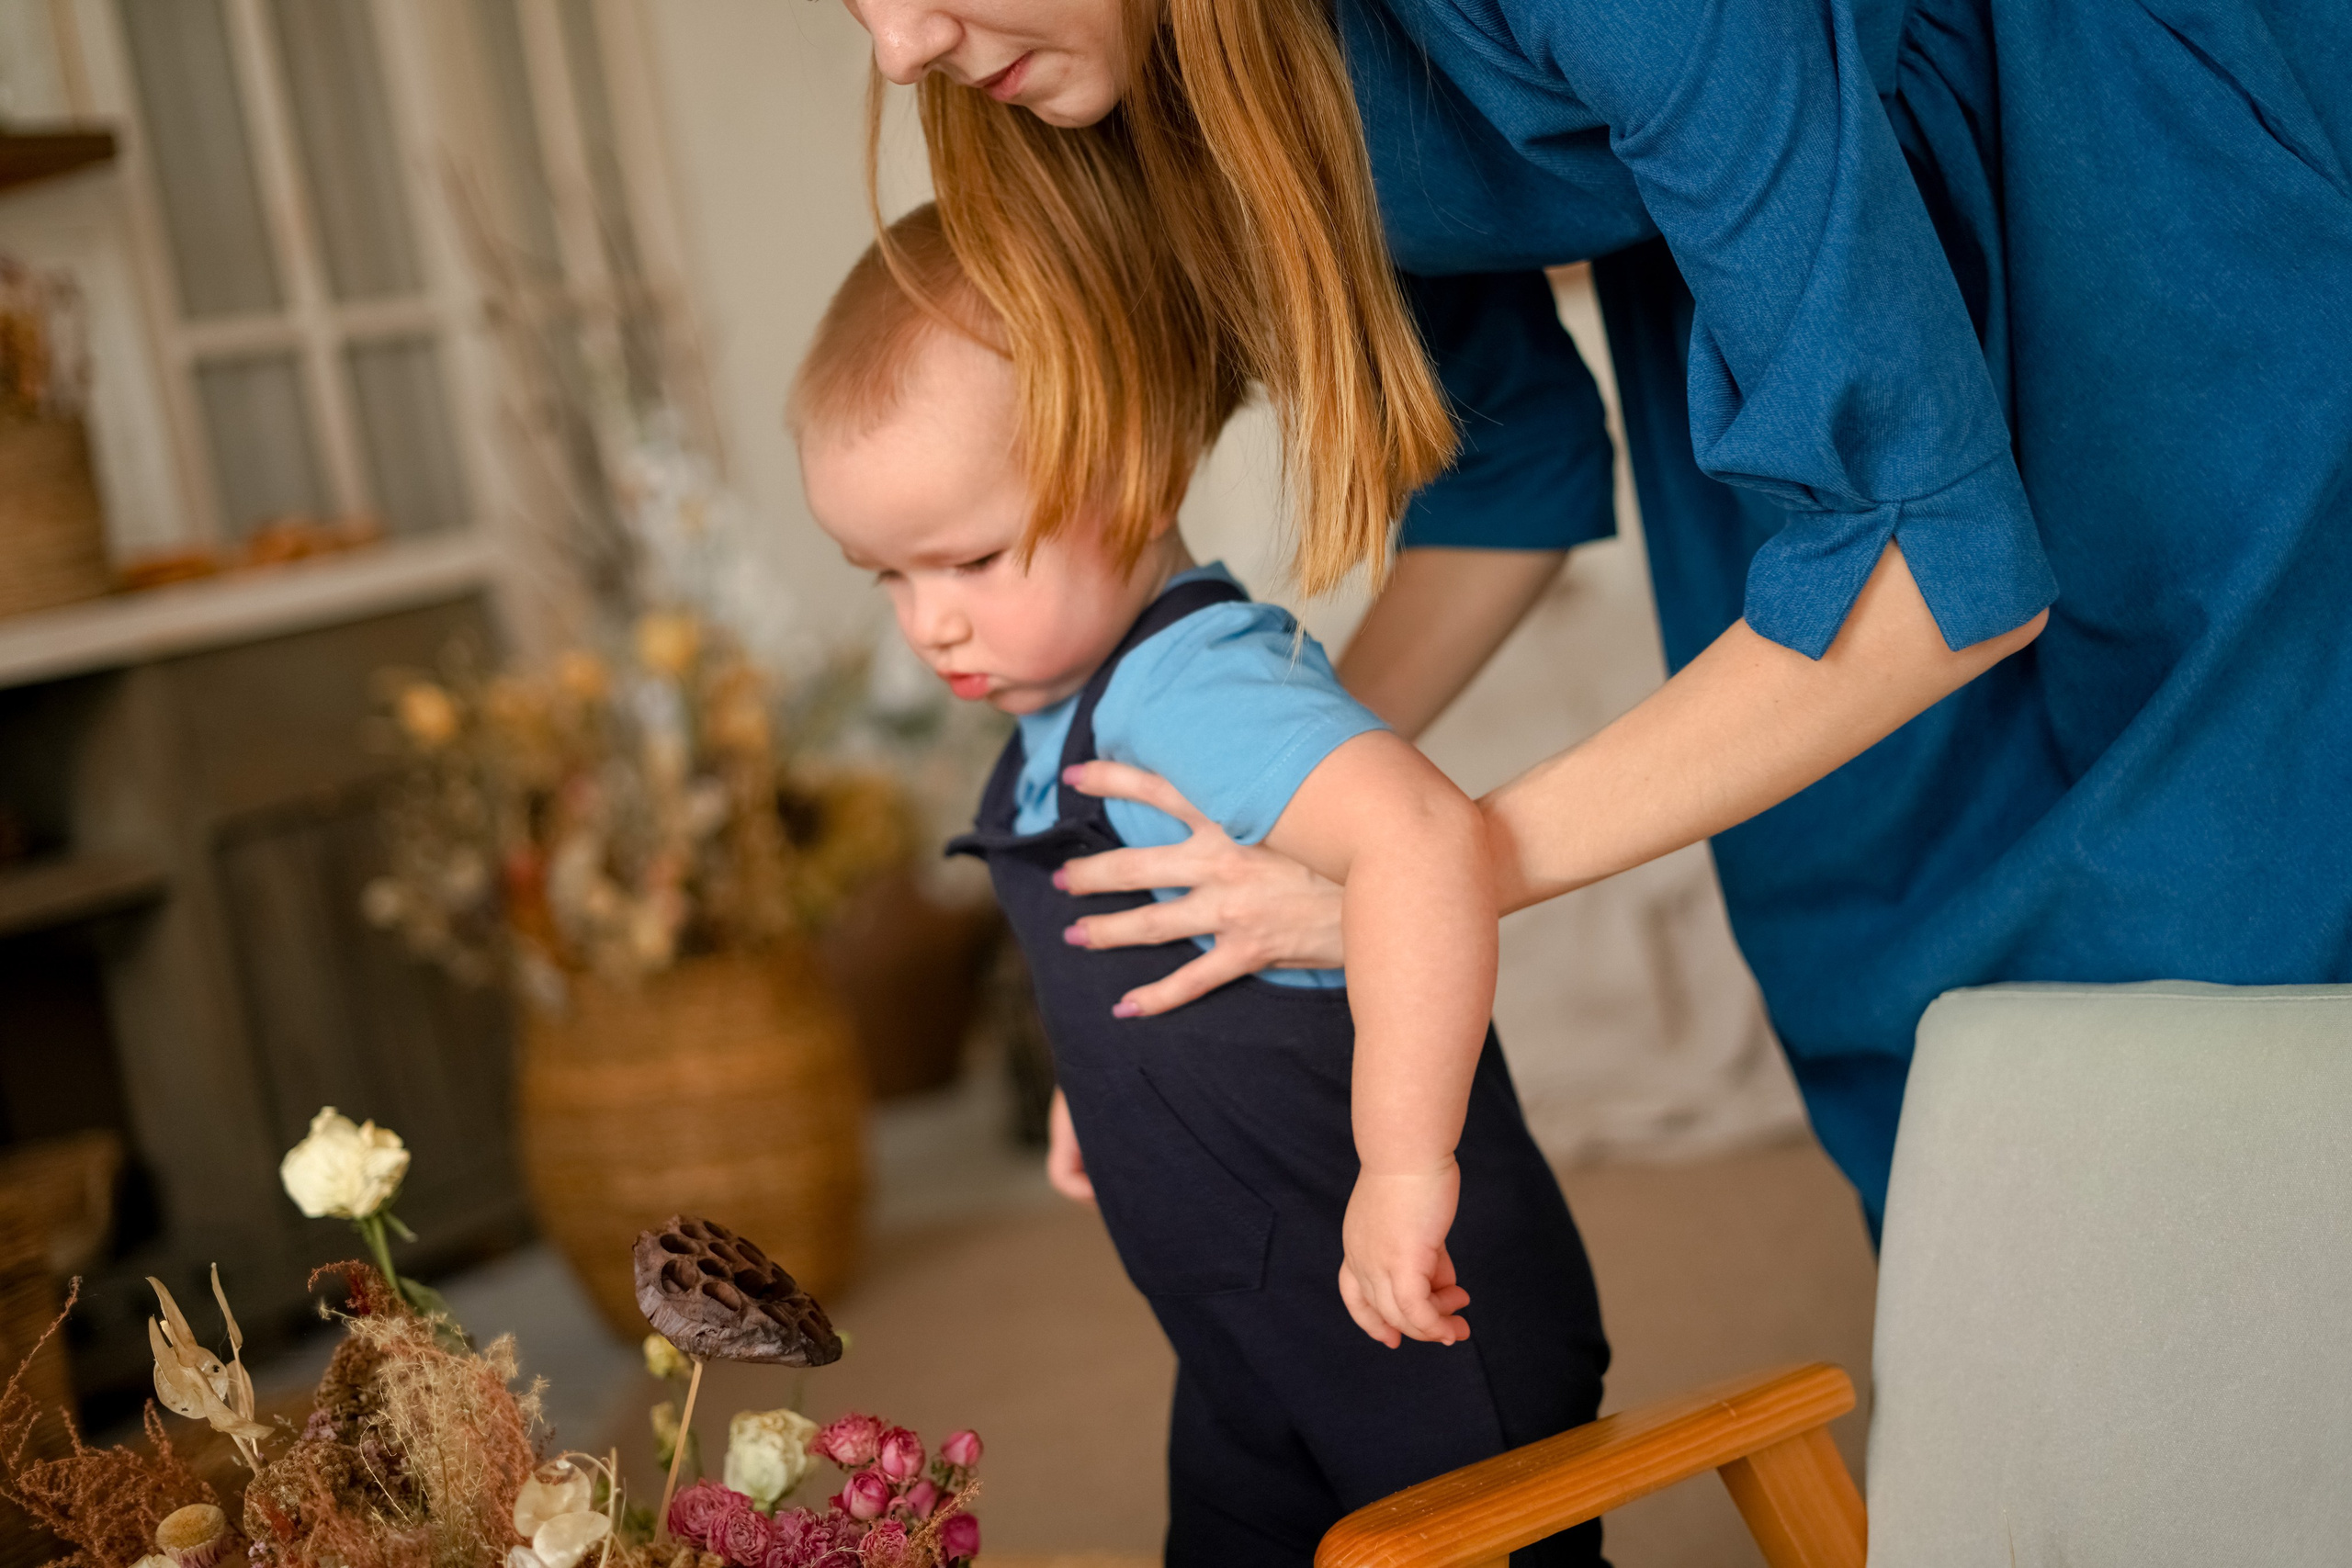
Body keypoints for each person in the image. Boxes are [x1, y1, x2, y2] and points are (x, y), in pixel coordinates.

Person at [841, 0, 2352, 1236]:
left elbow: (1926, 580)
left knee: (2223, 935)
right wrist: (1284, 816)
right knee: (1876, 947)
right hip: (1758, 297)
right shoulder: (1173, 70)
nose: (897, 44)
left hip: (2132, 178)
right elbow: (1506, 479)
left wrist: (1432, 867)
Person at [790, 207, 1610, 1565]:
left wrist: (1409, 1168)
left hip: (1412, 1309)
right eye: (888, 575)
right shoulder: (1063, 702)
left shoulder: (1193, 683)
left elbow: (1420, 840)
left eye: (973, 560)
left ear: (1137, 476)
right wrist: (1101, 1080)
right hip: (1251, 1329)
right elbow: (1134, 938)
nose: (928, 620)